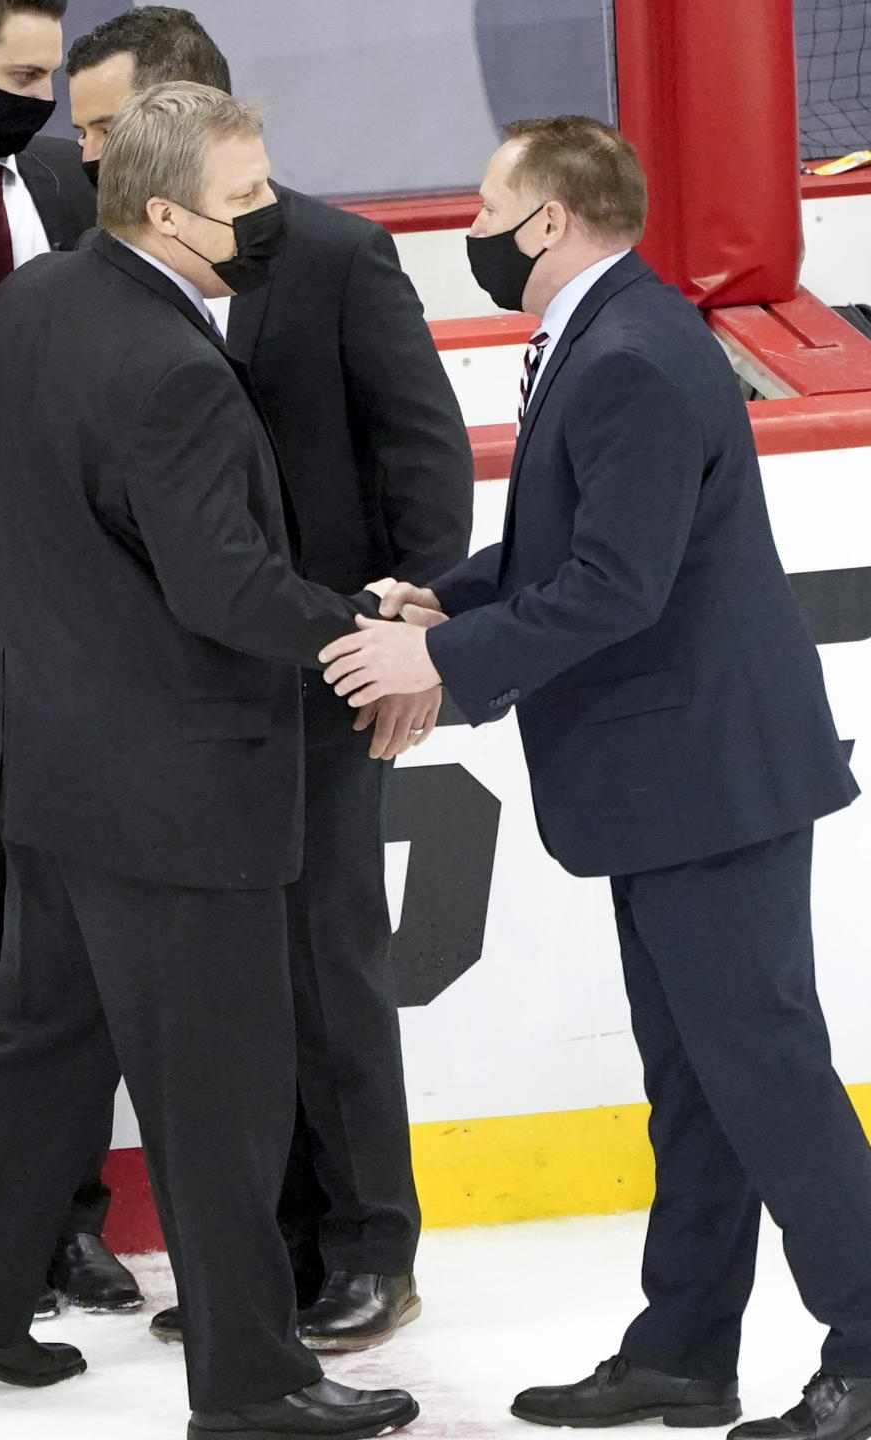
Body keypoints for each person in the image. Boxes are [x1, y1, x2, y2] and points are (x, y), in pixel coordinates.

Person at [319, 115, 871, 1440]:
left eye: (493, 211)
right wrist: (438, 604)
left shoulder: (626, 352)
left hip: (706, 783)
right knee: (699, 1080)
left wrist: (435, 668)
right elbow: (566, 549)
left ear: (550, 220)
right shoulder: (612, 335)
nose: (477, 234)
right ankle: (682, 1346)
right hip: (679, 782)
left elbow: (614, 589)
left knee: (766, 1072)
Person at [0, 82, 420, 1440]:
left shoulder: (35, 303)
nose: (267, 217)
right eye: (243, 200)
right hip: (175, 791)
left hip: (45, 764)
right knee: (223, 1095)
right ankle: (252, 1386)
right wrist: (360, 622)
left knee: (34, 1052)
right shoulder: (173, 367)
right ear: (159, 210)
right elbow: (230, 590)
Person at [66, 5, 474, 1352]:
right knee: (241, 991)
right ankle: (275, 1255)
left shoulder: (347, 257)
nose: (94, 153)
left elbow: (425, 463)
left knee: (329, 971)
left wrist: (409, 642)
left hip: (324, 676)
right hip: (188, 700)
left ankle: (371, 1247)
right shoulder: (108, 269)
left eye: (114, 127)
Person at [0, 0, 140, 1319]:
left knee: (70, 944)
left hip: (81, 637)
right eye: (21, 75)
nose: (48, 102)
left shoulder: (68, 183)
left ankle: (74, 1220)